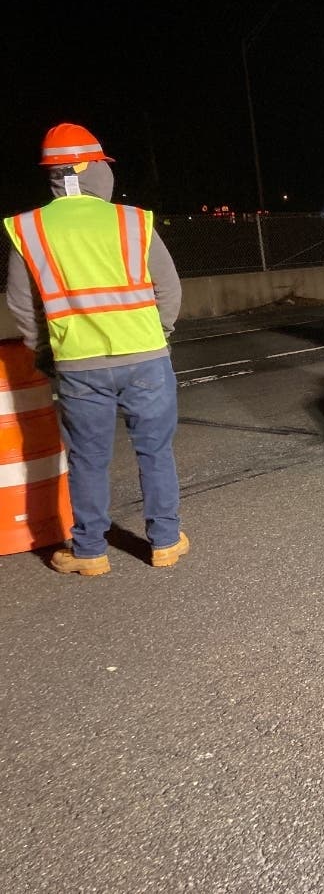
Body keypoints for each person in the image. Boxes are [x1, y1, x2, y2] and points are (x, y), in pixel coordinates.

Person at [3, 123, 188, 577]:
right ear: (90, 169)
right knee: (155, 452)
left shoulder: (29, 229)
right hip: (146, 357)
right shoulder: (132, 221)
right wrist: (158, 333)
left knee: (87, 459)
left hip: (78, 365)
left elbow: (21, 305)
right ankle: (164, 542)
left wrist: (44, 352)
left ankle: (89, 552)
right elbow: (169, 289)